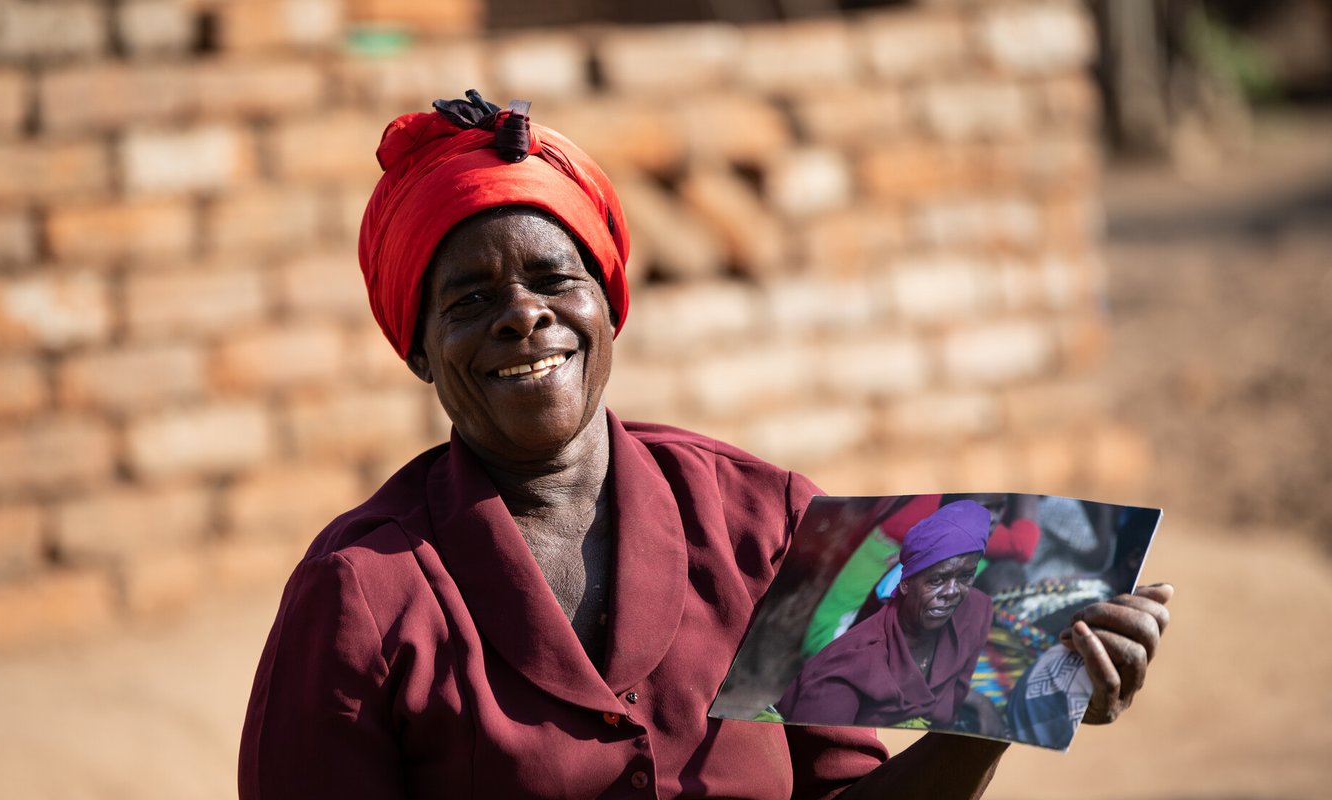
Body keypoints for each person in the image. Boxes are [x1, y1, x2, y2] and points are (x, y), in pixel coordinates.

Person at [238, 91, 1174, 799]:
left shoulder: (765, 521)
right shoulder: (361, 596)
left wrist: (1009, 709)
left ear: (607, 304)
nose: (523, 318)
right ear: (417, 351)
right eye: (469, 301)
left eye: (552, 278)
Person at [777, 500, 997, 731]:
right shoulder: (848, 669)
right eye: (937, 580)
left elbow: (952, 703)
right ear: (905, 583)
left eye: (965, 577)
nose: (952, 592)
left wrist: (978, 702)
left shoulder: (976, 612)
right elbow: (820, 755)